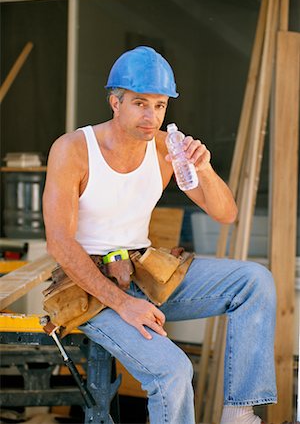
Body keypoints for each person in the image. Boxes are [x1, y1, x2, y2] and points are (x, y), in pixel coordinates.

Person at [43, 46, 276, 424]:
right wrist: (123, 303)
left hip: (144, 272)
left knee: (254, 281)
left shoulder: (167, 150)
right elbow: (59, 243)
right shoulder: (73, 149)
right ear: (114, 102)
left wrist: (205, 167)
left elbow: (226, 213)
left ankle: (239, 414)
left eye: (160, 106)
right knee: (173, 371)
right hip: (90, 286)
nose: (151, 117)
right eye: (140, 103)